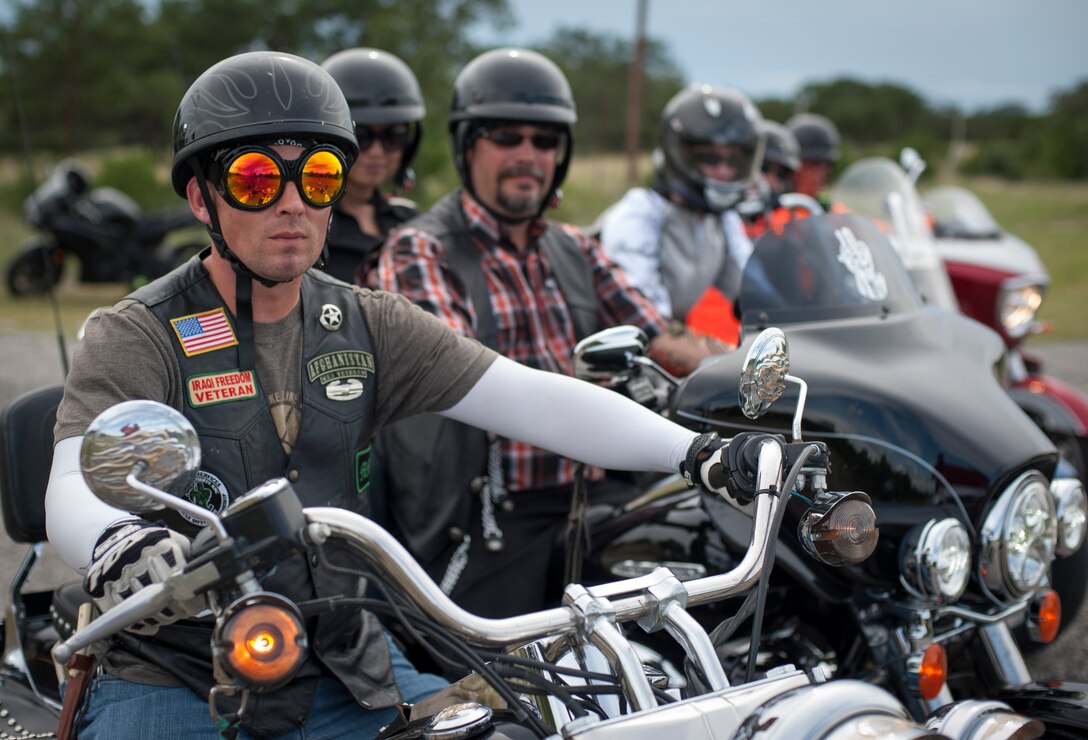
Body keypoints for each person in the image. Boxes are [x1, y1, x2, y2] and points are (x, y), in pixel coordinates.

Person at [43, 50, 745, 739]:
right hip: (180, 673)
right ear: (201, 196)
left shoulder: (367, 321)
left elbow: (535, 399)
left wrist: (701, 453)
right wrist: (118, 540)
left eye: (317, 178)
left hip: (345, 664)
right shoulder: (139, 332)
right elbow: (75, 474)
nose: (292, 204)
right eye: (257, 180)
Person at [376, 48, 720, 618]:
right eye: (506, 137)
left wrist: (751, 375)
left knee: (708, 594)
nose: (528, 156)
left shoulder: (574, 247)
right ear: (467, 145)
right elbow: (458, 378)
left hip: (599, 494)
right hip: (492, 515)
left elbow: (665, 339)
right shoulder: (422, 249)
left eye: (545, 140)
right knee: (515, 692)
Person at [597, 84, 764, 347]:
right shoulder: (639, 215)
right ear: (679, 155)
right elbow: (645, 317)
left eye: (733, 161)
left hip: (671, 344)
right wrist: (716, 355)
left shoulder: (721, 219)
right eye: (710, 159)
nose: (723, 171)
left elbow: (751, 288)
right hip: (619, 352)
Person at [320, 48, 424, 284]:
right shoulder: (307, 228)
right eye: (361, 135)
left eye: (393, 135)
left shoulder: (410, 220)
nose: (377, 151)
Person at [785, 112, 841, 203]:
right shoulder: (770, 210)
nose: (818, 175)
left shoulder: (829, 209)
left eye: (823, 166)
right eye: (810, 165)